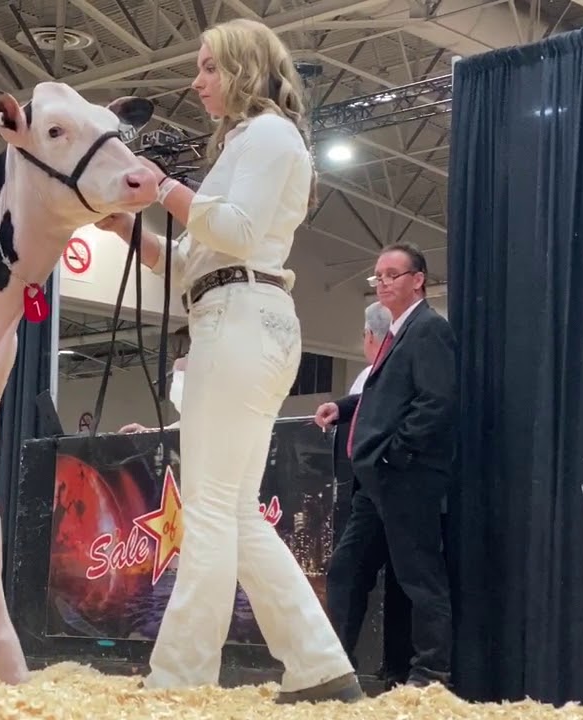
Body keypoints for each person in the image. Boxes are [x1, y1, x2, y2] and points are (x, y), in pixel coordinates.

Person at [95, 17, 362, 703]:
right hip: (239, 314)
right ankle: (319, 665)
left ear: (243, 68)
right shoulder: (252, 142)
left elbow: (237, 232)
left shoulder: (269, 136)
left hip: (241, 320)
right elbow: (191, 260)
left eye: (210, 67)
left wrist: (164, 189)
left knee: (211, 509)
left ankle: (180, 679)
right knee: (235, 511)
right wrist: (130, 228)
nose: (198, 80)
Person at [316, 243, 456, 688]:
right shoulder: (397, 335)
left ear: (419, 279)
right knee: (346, 568)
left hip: (404, 476)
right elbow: (387, 396)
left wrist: (396, 453)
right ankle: (331, 667)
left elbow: (436, 402)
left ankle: (431, 673)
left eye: (392, 274)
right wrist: (343, 406)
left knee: (418, 577)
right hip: (374, 481)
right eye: (378, 276)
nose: (383, 282)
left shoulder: (430, 329)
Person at [328, 301, 416, 688]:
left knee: (356, 571)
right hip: (382, 486)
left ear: (370, 336)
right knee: (394, 578)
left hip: (384, 483)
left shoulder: (393, 367)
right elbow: (368, 401)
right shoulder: (375, 372)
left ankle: (347, 664)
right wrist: (341, 407)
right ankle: (392, 667)